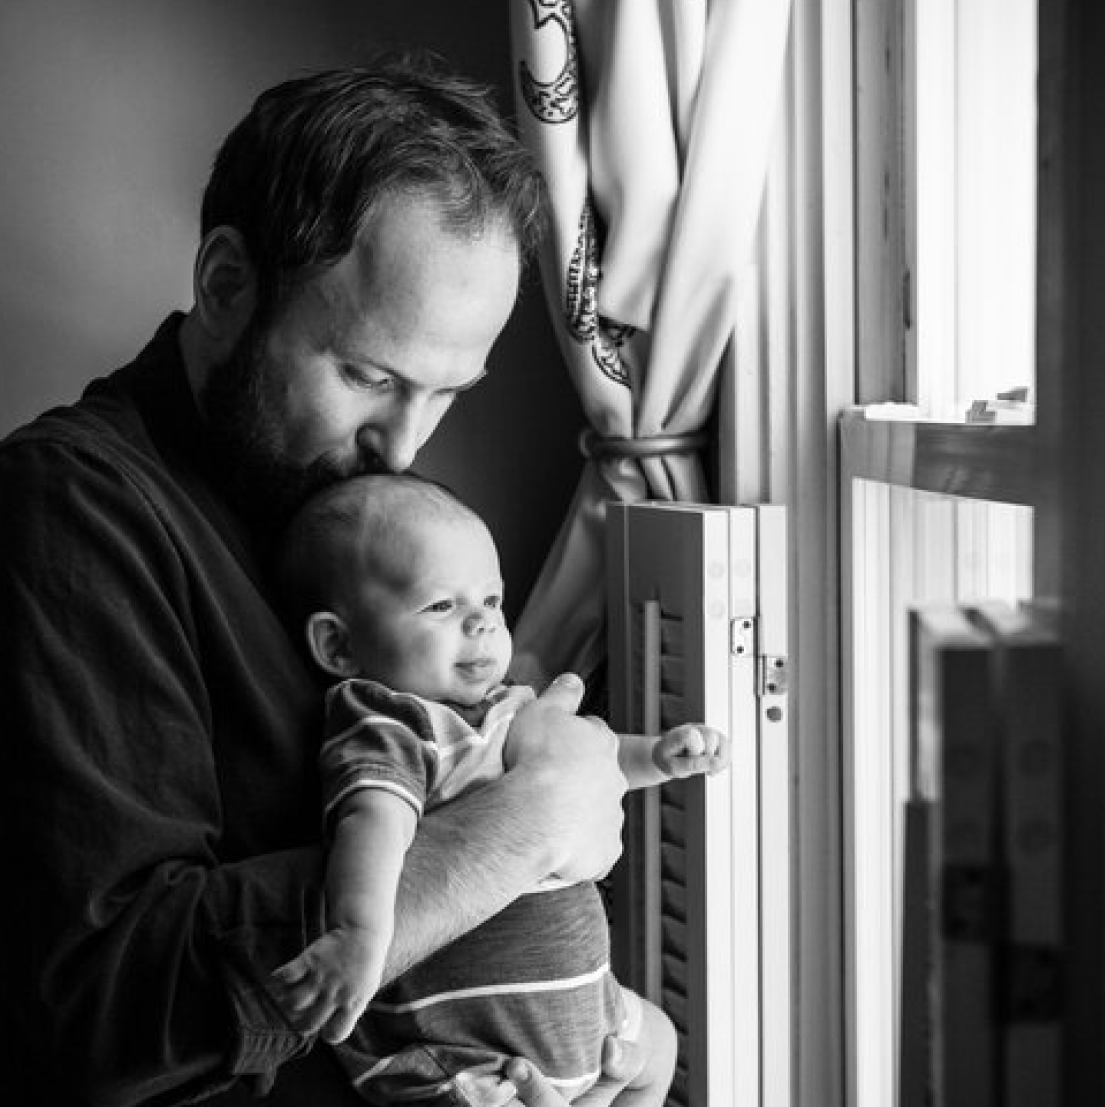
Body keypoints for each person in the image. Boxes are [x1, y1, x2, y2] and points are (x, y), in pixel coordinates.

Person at [0, 58, 645, 1107]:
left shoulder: (363, 523)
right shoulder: (67, 512)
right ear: (225, 283)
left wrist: (618, 1034)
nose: (403, 443)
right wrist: (525, 827)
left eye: (446, 394)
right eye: (371, 377)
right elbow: (107, 1007)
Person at [273, 473, 731, 1105]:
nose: (482, 625)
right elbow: (373, 822)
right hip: (467, 1058)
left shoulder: (508, 705)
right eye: (441, 607)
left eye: (492, 602)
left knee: (656, 1038)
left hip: (590, 1018)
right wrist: (359, 937)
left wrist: (655, 757)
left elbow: (591, 772)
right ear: (339, 645)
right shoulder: (391, 721)